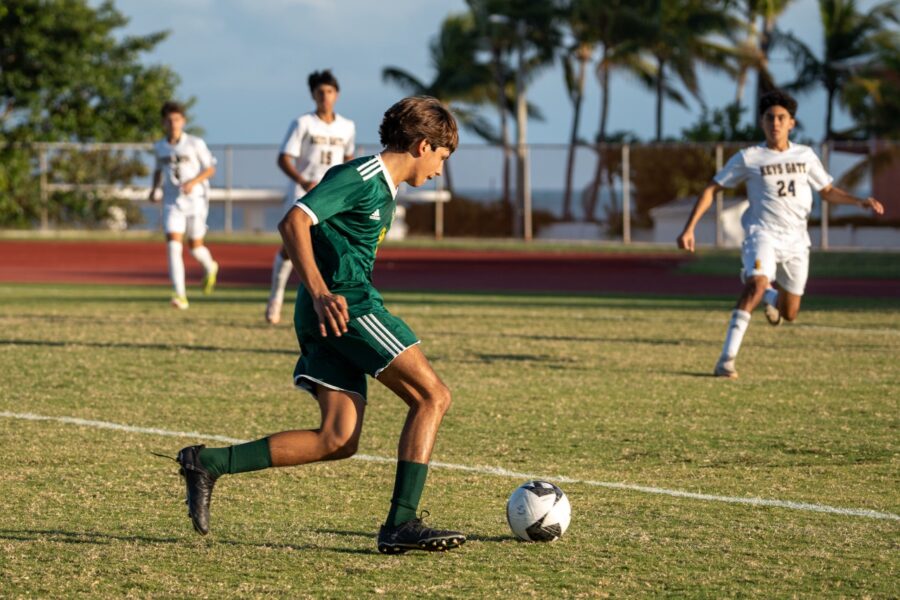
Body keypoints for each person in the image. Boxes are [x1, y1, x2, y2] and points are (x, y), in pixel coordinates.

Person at [175, 96, 465, 554]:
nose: (439, 170)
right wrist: (320, 290)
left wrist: (318, 297)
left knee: (338, 439)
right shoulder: (362, 177)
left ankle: (206, 462)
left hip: (325, 313)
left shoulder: (381, 190)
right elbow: (293, 221)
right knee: (434, 396)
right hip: (345, 306)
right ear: (423, 144)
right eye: (441, 158)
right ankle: (401, 523)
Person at [677, 90, 884, 379]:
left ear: (792, 124)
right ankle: (726, 360)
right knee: (756, 284)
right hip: (763, 235)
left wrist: (858, 201)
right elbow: (713, 188)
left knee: (790, 313)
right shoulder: (749, 157)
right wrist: (689, 227)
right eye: (769, 117)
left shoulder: (805, 155)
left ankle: (770, 295)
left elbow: (826, 191)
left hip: (797, 242)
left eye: (781, 118)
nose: (775, 122)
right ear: (762, 122)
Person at [267, 69, 356, 324]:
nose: (324, 97)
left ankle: (330, 302)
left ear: (336, 95)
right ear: (313, 96)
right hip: (303, 192)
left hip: (332, 196)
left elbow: (349, 159)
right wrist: (303, 180)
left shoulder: (347, 126)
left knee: (331, 247)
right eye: (320, 92)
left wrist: (345, 185)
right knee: (290, 247)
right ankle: (276, 298)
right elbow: (284, 158)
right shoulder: (303, 123)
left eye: (329, 91)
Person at [149, 101, 219, 310]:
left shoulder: (194, 143)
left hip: (196, 199)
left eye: (177, 119)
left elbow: (210, 169)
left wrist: (193, 182)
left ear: (183, 121)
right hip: (172, 202)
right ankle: (179, 294)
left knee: (195, 248)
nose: (173, 124)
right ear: (164, 122)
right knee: (173, 245)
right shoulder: (160, 146)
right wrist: (154, 189)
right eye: (169, 120)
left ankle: (210, 266)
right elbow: (158, 170)